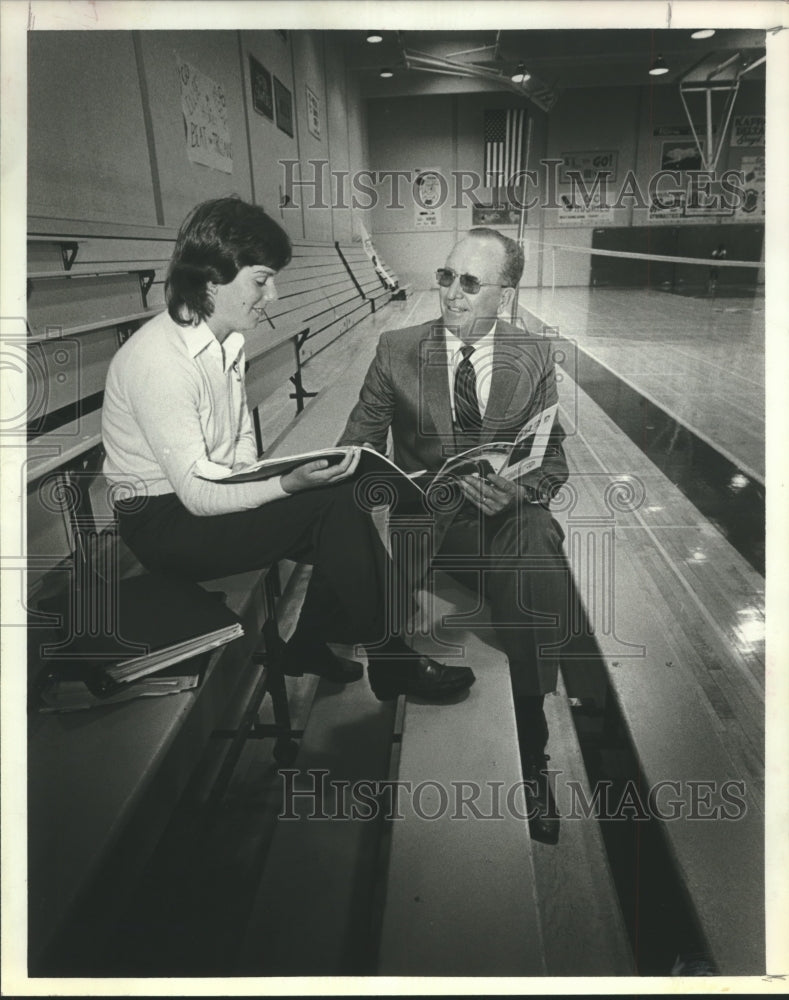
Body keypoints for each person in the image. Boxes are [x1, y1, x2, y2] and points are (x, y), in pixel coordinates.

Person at [101, 196, 474, 702]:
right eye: (261, 280)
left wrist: (268, 476)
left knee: (342, 498)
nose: (272, 295)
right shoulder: (160, 361)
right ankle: (387, 657)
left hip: (204, 495)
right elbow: (197, 496)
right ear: (211, 281)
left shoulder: (225, 341)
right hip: (162, 524)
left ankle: (322, 646)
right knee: (331, 509)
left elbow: (240, 443)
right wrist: (284, 485)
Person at [340, 227, 570, 841]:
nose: (452, 293)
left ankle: (532, 748)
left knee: (536, 540)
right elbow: (354, 452)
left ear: (506, 295)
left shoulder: (534, 355)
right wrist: (392, 490)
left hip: (500, 521)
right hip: (425, 525)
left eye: (470, 282)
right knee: (534, 568)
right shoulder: (397, 349)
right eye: (447, 277)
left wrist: (518, 490)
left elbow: (552, 461)